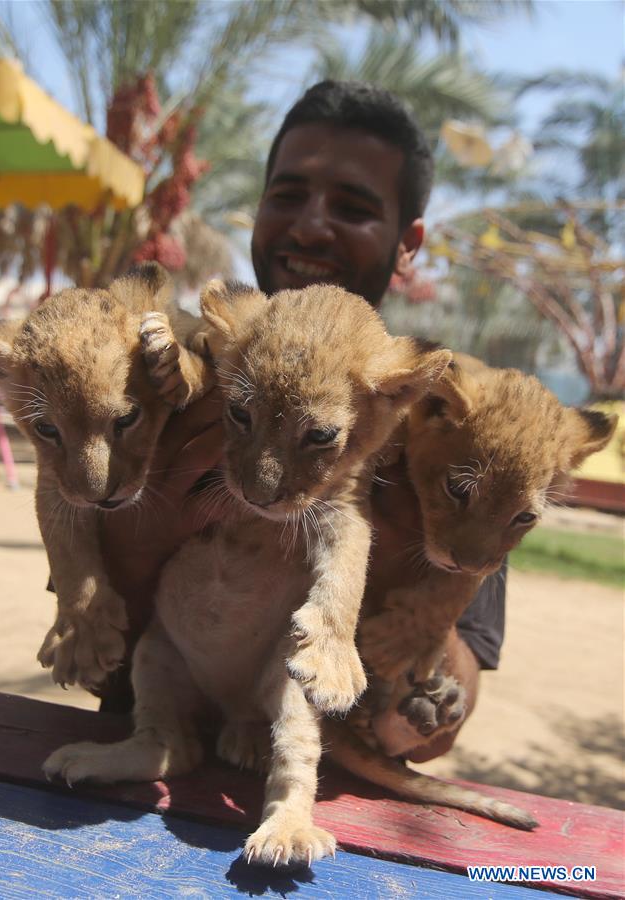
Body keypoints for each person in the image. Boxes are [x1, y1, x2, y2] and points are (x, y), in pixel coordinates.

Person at [100, 80, 506, 764]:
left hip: (317, 780)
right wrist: (148, 534)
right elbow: (93, 652)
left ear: (407, 243)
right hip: (145, 744)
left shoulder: (446, 424)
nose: (311, 226)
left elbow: (433, 731)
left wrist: (408, 623)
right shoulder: (171, 367)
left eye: (352, 207)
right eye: (287, 195)